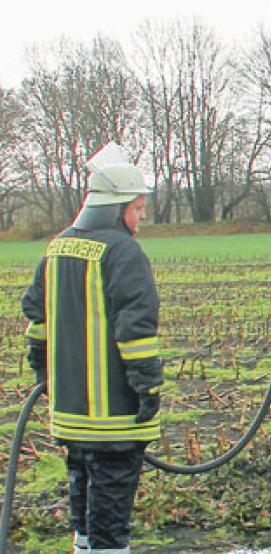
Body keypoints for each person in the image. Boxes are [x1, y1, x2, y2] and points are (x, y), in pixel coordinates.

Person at [22, 142, 163, 554]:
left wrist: (43, 374)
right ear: (117, 208)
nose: (140, 220)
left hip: (69, 410)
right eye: (137, 209)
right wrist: (148, 387)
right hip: (113, 414)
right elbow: (136, 331)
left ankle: (82, 547)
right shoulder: (124, 252)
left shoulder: (57, 247)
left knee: (83, 484)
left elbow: (36, 318)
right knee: (112, 504)